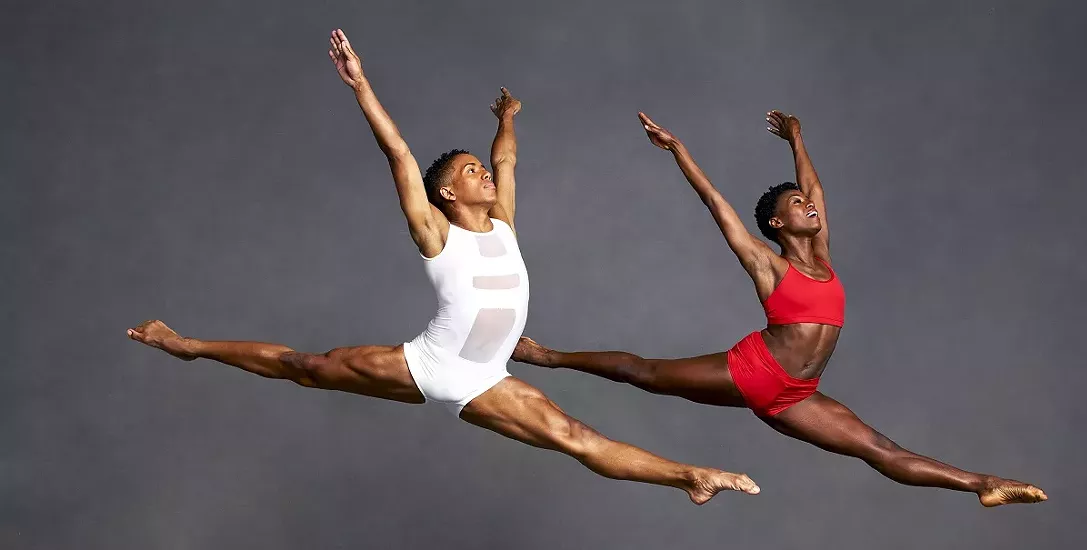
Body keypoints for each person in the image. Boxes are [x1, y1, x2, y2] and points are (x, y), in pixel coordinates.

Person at [126, 29, 759, 505]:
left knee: (575, 436)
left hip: (485, 372)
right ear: (448, 196)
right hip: (436, 363)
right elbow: (398, 153)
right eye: (468, 172)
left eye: (478, 168)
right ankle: (187, 346)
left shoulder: (504, 223)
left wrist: (507, 120)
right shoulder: (437, 236)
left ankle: (690, 476)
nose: (482, 173)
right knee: (303, 366)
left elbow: (506, 161)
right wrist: (361, 84)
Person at [512, 110, 1048, 507]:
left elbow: (814, 186)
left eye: (808, 203)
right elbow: (716, 206)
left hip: (796, 395)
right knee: (646, 373)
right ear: (776, 225)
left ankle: (984, 485)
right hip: (755, 371)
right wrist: (679, 151)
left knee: (879, 448)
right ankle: (550, 357)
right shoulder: (769, 265)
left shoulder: (824, 256)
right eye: (796, 206)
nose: (809, 206)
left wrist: (797, 138)